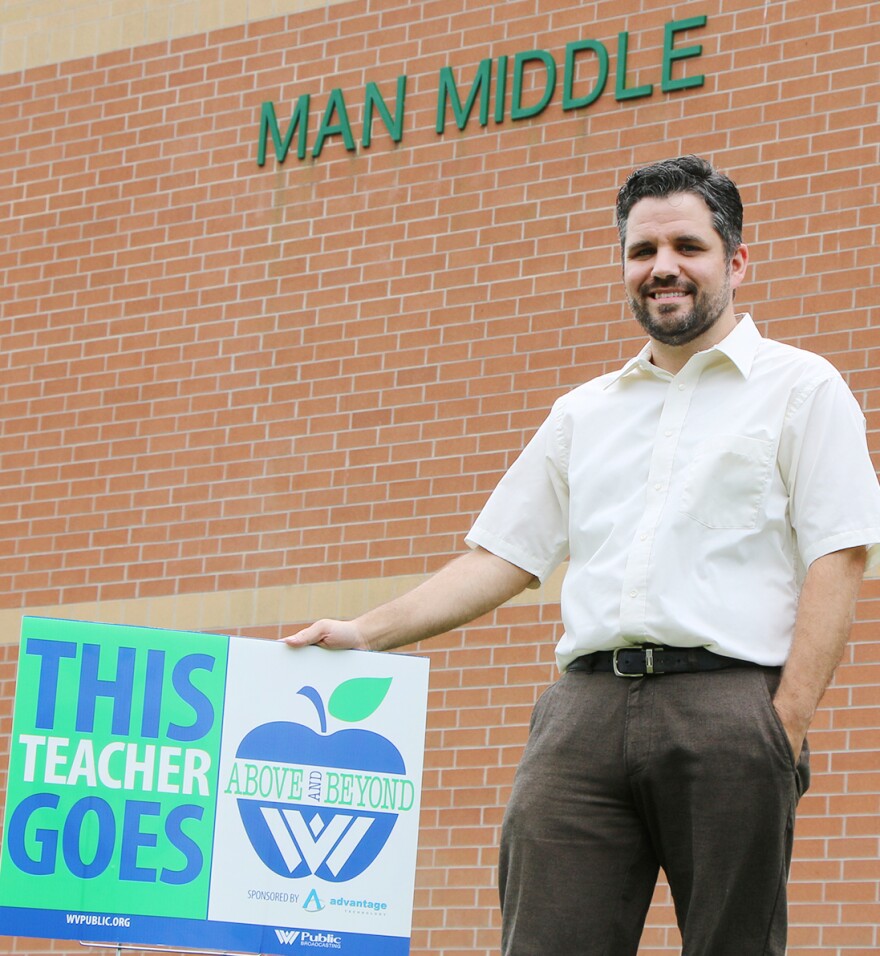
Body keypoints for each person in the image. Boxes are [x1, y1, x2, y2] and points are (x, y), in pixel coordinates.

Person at [283, 156, 880, 955]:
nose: (663, 266)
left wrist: (785, 722)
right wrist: (364, 633)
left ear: (736, 261)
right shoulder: (584, 413)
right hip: (583, 716)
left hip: (731, 711)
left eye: (687, 247)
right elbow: (500, 557)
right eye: (642, 251)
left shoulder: (802, 388)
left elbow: (839, 555)